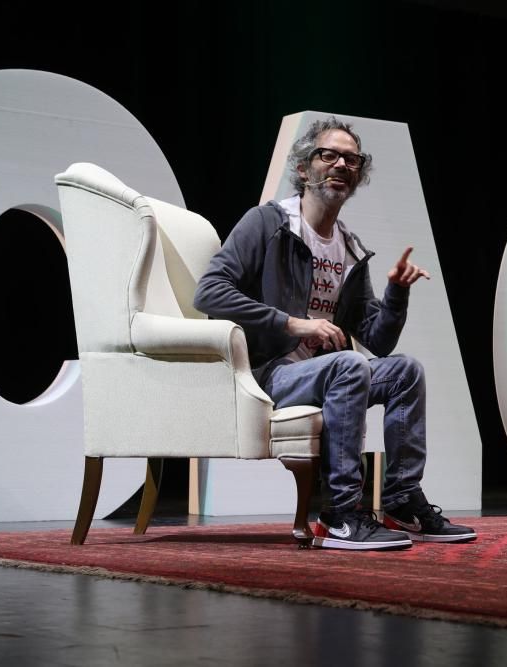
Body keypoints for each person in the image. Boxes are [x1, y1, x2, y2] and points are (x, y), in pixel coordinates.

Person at [193, 117, 476, 550]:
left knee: (405, 371)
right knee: (347, 365)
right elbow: (210, 291)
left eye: (351, 159)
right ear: (304, 169)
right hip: (270, 373)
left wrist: (396, 294)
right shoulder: (267, 224)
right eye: (329, 155)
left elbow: (378, 341)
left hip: (324, 373)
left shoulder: (349, 247)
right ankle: (341, 513)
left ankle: (401, 502)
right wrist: (291, 323)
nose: (341, 164)